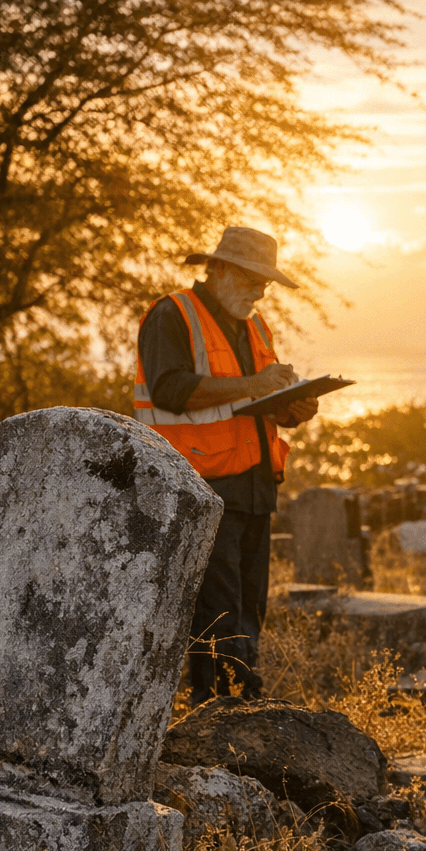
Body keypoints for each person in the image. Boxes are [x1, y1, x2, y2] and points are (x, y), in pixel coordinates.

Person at [134, 226, 319, 705]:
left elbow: (257, 402)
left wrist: (293, 409)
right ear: (216, 268)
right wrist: (256, 385)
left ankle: (242, 701)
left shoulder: (255, 326)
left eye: (265, 283)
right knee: (217, 611)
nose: (260, 291)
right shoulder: (172, 314)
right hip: (201, 487)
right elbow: (169, 390)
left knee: (248, 609)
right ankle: (216, 707)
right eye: (251, 279)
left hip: (255, 488)